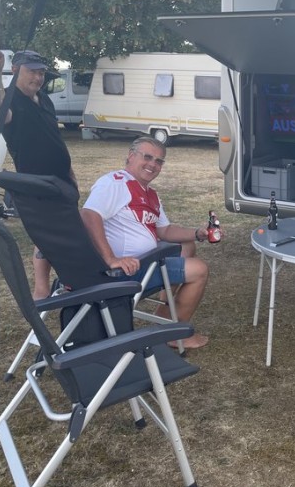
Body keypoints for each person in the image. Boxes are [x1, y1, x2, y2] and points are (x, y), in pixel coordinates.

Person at [80, 137, 212, 349]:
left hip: (145, 263)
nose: (153, 164)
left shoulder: (150, 193)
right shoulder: (115, 183)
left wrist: (197, 233)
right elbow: (89, 215)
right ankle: (174, 333)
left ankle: (165, 314)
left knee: (188, 245)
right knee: (199, 270)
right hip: (125, 271)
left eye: (159, 161)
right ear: (131, 156)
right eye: (147, 157)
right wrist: (111, 258)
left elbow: (164, 230)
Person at [0, 47, 76, 299]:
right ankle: (41, 289)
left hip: (62, 180)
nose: (38, 78)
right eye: (32, 72)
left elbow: (54, 137)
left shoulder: (44, 99)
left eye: (41, 73)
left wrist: (70, 172)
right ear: (15, 70)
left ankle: (68, 280)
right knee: (45, 237)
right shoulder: (10, 98)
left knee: (66, 232)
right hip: (37, 183)